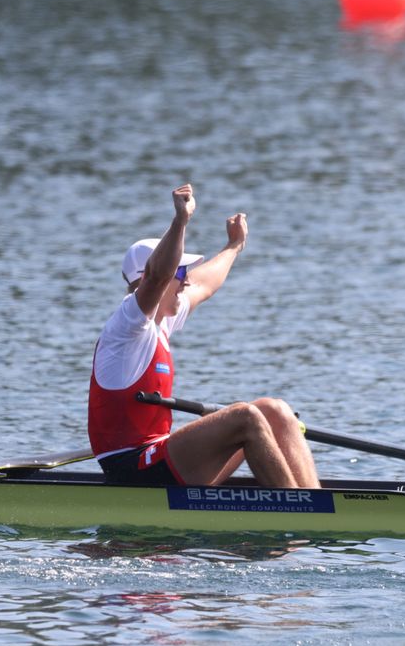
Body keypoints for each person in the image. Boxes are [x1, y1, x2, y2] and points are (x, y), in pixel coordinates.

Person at [88, 183, 319, 489]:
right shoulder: (128, 324)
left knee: (274, 410)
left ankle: (316, 500)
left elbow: (204, 284)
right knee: (244, 416)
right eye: (180, 273)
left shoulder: (164, 321)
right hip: (131, 466)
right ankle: (297, 508)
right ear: (148, 278)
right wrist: (180, 221)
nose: (186, 282)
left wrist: (234, 246)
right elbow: (158, 276)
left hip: (158, 458)